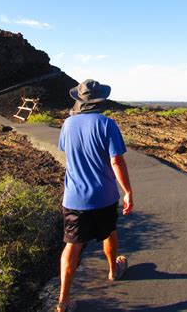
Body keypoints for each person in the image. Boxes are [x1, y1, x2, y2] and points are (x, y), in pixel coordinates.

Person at [56, 79, 134, 312]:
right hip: (104, 195)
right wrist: (128, 191)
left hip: (74, 198)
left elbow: (67, 152)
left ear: (79, 100)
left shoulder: (67, 125)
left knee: (72, 245)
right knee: (109, 233)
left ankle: (63, 300)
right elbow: (116, 160)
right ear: (101, 99)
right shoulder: (107, 124)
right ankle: (113, 270)